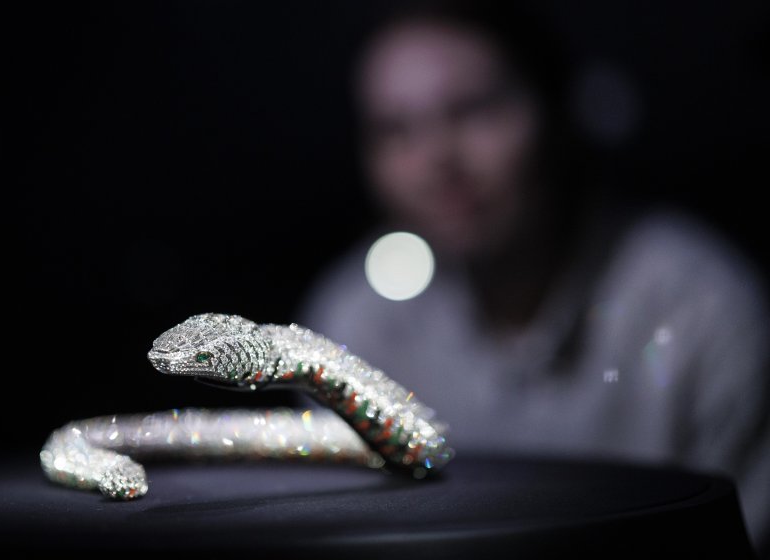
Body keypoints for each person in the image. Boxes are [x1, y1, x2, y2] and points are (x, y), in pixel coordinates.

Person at [293, 2, 770, 555]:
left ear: (560, 111)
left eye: (474, 110)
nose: (435, 158)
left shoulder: (700, 310)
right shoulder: (357, 321)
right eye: (395, 130)